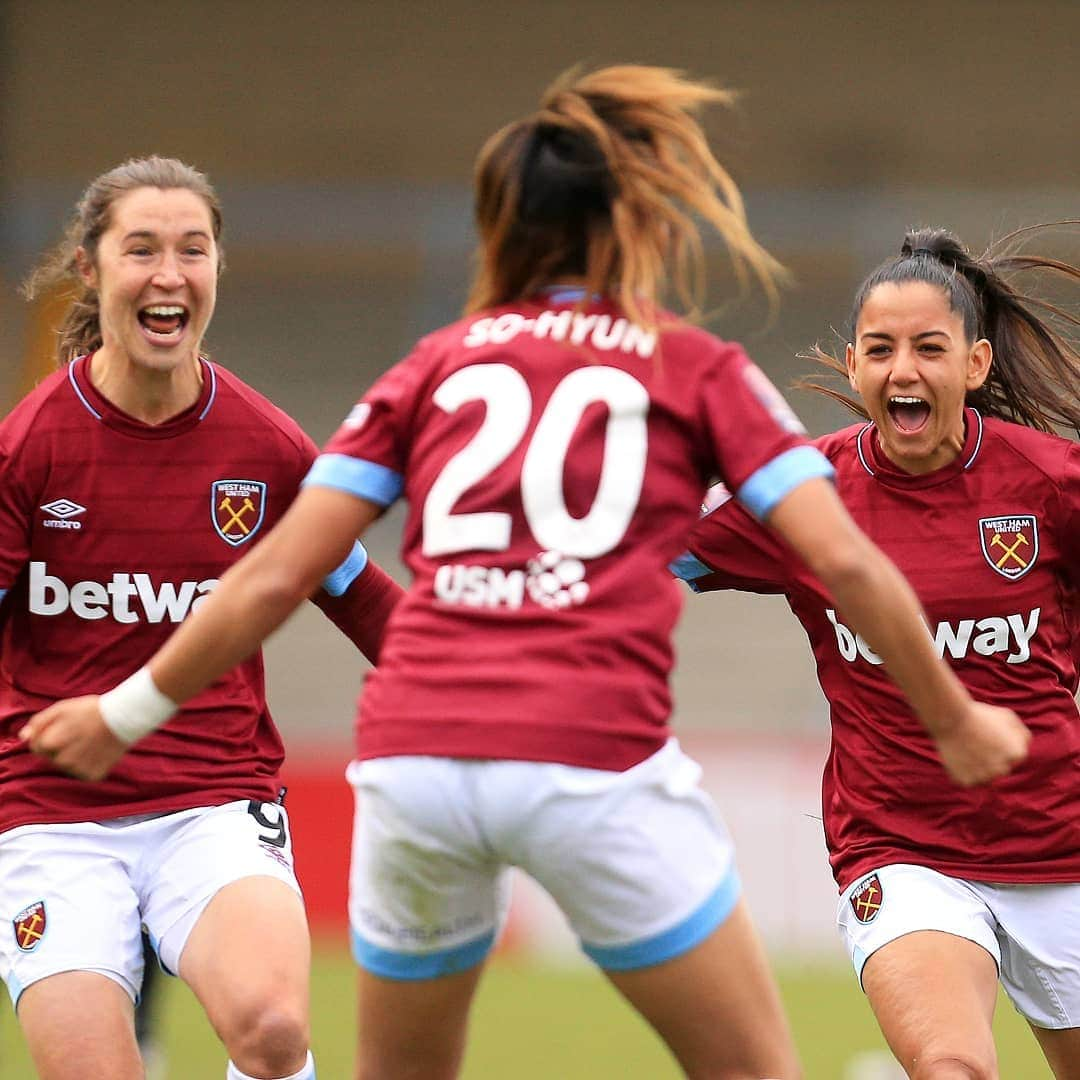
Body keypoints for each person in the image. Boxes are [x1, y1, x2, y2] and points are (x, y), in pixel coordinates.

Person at [23, 72, 1028, 1080]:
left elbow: (280, 571)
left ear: (499, 231)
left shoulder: (435, 364)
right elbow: (846, 555)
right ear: (636, 227)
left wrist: (124, 710)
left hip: (418, 764)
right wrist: (952, 716)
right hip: (587, 753)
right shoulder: (688, 364)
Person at [0, 156, 402, 1080]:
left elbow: (362, 599)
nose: (169, 273)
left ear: (218, 270)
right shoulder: (28, 450)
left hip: (213, 802)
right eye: (140, 249)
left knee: (271, 1030)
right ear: (91, 269)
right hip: (51, 815)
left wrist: (480, 688)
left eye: (193, 249)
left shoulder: (265, 448)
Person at [673, 226, 1080, 1078]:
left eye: (929, 348)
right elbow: (635, 544)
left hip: (1061, 850)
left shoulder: (1049, 482)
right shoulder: (801, 495)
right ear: (853, 366)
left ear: (972, 365)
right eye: (881, 349)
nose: (904, 370)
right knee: (951, 1068)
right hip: (902, 852)